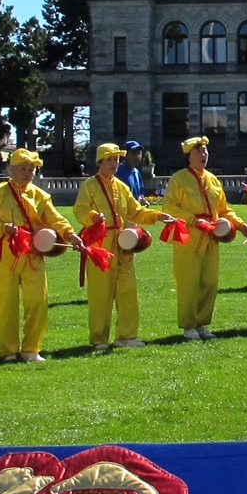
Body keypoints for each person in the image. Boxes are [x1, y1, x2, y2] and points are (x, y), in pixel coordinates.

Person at [0, 147, 76, 362]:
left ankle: (31, 349)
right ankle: (8, 351)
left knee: (38, 301)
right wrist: (2, 229)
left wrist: (70, 234)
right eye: (23, 169)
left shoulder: (40, 195)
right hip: (4, 254)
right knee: (5, 303)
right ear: (11, 169)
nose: (27, 173)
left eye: (31, 169)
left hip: (32, 253)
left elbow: (56, 219)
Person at [76, 142, 171, 350]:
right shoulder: (90, 186)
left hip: (123, 243)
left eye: (116, 159)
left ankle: (127, 336)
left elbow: (135, 211)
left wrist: (157, 216)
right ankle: (99, 339)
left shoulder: (122, 186)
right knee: (101, 293)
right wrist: (92, 217)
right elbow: (80, 210)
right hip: (101, 244)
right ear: (99, 162)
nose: (114, 163)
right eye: (109, 159)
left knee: (128, 290)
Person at [165, 135, 237, 338]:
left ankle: (202, 323)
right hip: (189, 238)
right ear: (188, 156)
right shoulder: (178, 179)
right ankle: (189, 325)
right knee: (189, 283)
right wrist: (193, 220)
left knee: (210, 282)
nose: (203, 154)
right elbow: (169, 206)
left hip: (211, 238)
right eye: (198, 151)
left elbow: (224, 209)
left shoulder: (213, 179)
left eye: (205, 151)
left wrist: (241, 225)